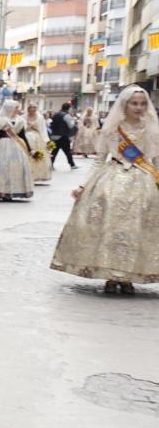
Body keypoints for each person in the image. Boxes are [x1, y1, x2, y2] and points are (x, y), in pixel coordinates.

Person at [51, 86, 159, 294]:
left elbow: (155, 161)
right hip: (111, 182)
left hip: (143, 183)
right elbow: (99, 161)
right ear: (124, 104)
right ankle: (110, 274)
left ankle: (129, 275)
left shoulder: (152, 129)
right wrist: (83, 185)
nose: (139, 107)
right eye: (134, 103)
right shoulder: (111, 130)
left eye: (143, 103)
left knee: (137, 230)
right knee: (109, 229)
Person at [0, 99, 34, 201]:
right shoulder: (0, 120)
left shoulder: (20, 120)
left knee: (15, 168)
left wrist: (30, 149)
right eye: (16, 107)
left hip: (17, 147)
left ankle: (12, 191)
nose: (18, 109)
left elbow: (23, 136)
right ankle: (1, 191)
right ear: (10, 108)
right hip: (3, 146)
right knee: (2, 168)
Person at [24, 102, 52, 183]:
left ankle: (37, 175)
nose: (32, 109)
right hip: (26, 137)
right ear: (28, 109)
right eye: (30, 108)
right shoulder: (23, 117)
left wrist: (46, 141)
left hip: (37, 138)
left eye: (34, 108)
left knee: (38, 156)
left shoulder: (40, 117)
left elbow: (43, 129)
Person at [50, 102, 79, 169]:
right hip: (63, 136)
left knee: (54, 151)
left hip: (54, 135)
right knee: (68, 151)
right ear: (68, 109)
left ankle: (50, 164)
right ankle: (72, 165)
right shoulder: (66, 116)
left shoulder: (55, 115)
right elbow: (71, 125)